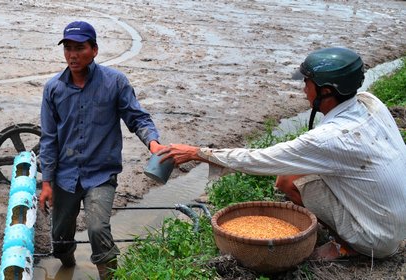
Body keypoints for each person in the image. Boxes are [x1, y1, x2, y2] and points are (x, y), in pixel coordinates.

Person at [159, 47, 406, 261]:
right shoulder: (369, 101)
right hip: (396, 224)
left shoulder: (331, 138)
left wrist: (198, 153)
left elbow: (261, 159)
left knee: (288, 180)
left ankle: (349, 246)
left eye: (307, 83)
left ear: (326, 91)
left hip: (377, 241)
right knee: (297, 173)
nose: (303, 89)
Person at [38, 21, 164, 279]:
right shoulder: (54, 89)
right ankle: (68, 265)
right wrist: (47, 182)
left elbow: (137, 118)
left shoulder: (115, 83)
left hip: (101, 174)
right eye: (68, 49)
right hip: (65, 176)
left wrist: (153, 143)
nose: (72, 55)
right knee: (60, 239)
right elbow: (49, 139)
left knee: (97, 229)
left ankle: (111, 276)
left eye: (79, 48)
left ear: (94, 50)